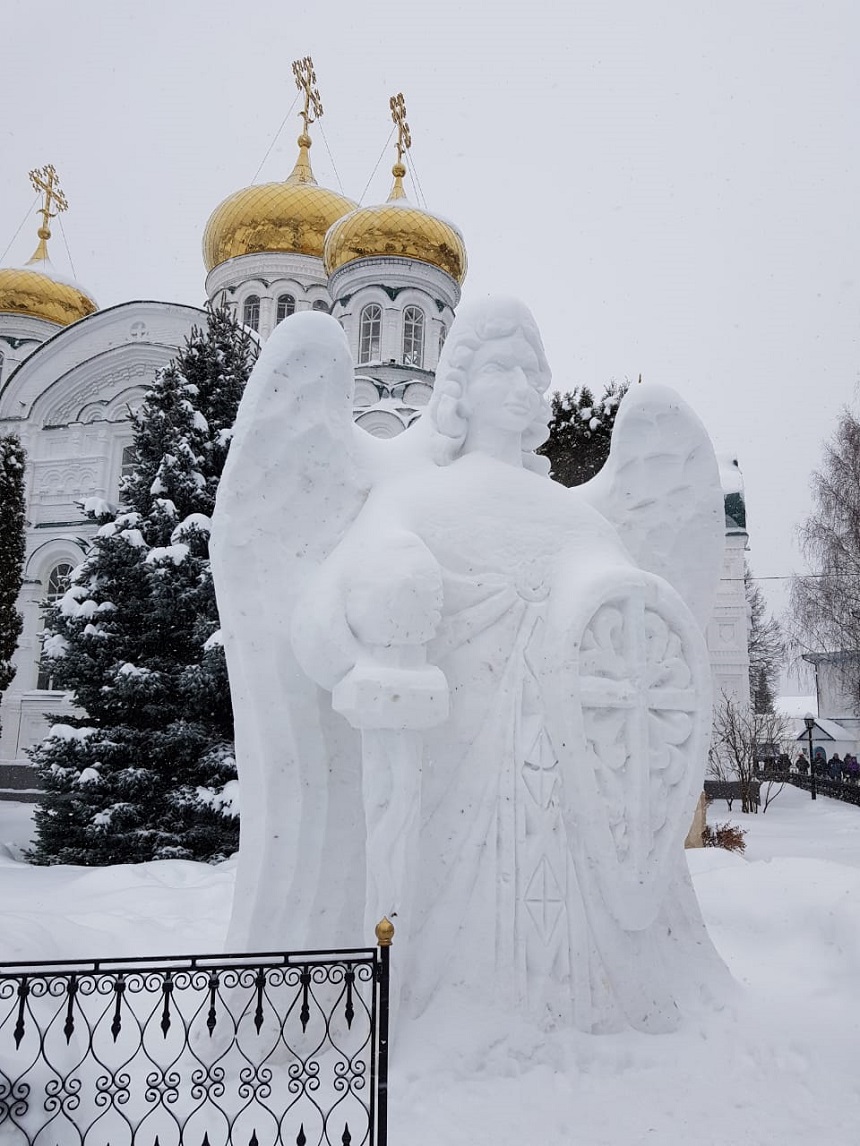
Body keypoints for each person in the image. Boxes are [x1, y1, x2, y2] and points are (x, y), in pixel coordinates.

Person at [214, 299, 730, 1040]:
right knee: (451, 913)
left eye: (531, 372)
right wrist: (379, 604)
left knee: (566, 916)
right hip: (454, 771)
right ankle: (448, 1029)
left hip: (563, 774)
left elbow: (636, 627)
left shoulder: (578, 520)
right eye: (499, 368)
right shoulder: (414, 500)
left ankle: (577, 1020)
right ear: (459, 383)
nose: (519, 386)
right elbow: (317, 620)